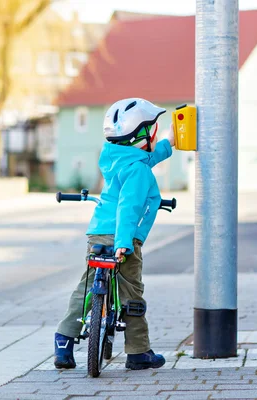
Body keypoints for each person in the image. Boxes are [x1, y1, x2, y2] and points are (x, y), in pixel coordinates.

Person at [54, 98, 176, 371]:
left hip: (98, 233)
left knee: (86, 286)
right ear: (142, 135)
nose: (156, 133)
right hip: (124, 237)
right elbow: (129, 207)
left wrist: (169, 144)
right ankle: (138, 352)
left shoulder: (117, 159)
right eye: (154, 130)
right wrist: (123, 243)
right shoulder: (139, 172)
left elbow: (147, 156)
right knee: (131, 290)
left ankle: (63, 340)